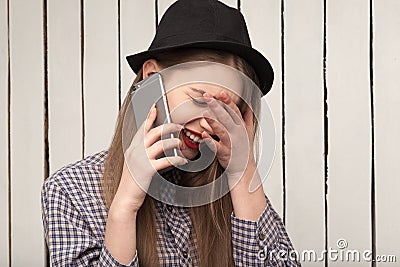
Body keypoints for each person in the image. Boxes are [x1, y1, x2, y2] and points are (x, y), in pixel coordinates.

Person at [41, 0, 301, 266]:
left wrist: (243, 172)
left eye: (226, 109)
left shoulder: (234, 188)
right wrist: (124, 207)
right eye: (200, 99)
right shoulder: (70, 191)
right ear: (152, 78)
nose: (208, 123)